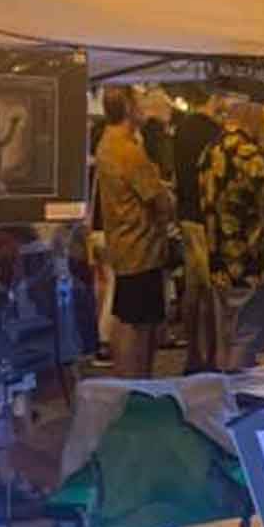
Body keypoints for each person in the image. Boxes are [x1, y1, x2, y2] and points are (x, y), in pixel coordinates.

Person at [92, 85, 175, 378]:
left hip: (126, 243)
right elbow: (157, 198)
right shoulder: (127, 151)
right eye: (139, 101)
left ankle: (131, 380)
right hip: (140, 246)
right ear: (128, 108)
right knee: (136, 322)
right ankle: (134, 381)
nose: (144, 107)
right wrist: (168, 197)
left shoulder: (108, 143)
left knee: (130, 315)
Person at [197, 99, 264, 371]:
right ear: (252, 118)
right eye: (263, 121)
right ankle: (238, 394)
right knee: (247, 336)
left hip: (216, 260)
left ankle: (222, 392)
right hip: (249, 261)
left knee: (224, 334)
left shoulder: (209, 152)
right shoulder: (252, 157)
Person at [170, 96, 222, 373]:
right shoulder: (212, 133)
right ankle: (212, 356)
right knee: (211, 291)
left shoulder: (182, 129)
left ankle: (192, 352)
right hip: (206, 219)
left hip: (186, 214)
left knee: (193, 291)